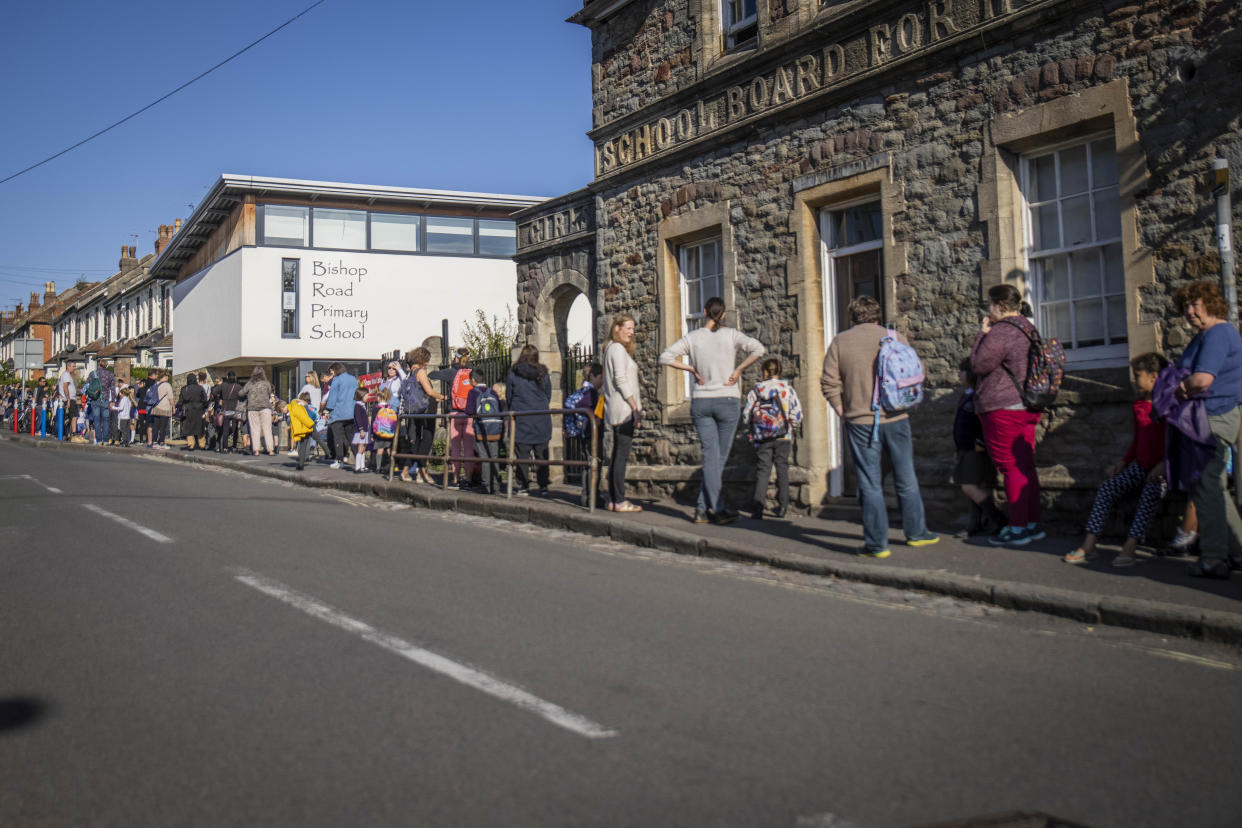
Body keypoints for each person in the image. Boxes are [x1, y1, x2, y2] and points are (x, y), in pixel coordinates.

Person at [821, 295, 939, 557]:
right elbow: (916, 372)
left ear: (853, 316)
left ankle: (877, 545)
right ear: (877, 314)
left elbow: (828, 382)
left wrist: (843, 411)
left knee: (870, 483)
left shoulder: (841, 342)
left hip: (861, 420)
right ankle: (917, 533)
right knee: (906, 477)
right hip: (896, 417)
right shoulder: (894, 338)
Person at [659, 297, 766, 524]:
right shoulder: (732, 335)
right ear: (724, 314)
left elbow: (665, 357)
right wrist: (738, 370)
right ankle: (716, 508)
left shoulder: (693, 337)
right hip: (727, 400)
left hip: (701, 401)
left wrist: (690, 368)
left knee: (711, 458)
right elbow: (759, 348)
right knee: (718, 458)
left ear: (705, 311)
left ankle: (701, 508)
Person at [1064, 352, 1169, 567]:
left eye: (1137, 375)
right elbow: (1137, 441)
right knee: (1107, 489)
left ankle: (1130, 547)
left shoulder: (1168, 407)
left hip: (1163, 469)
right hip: (1140, 466)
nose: (1134, 380)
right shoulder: (1139, 405)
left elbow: (1175, 442)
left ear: (1154, 377)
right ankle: (1089, 544)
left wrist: (1164, 464)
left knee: (1150, 493)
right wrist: (1123, 462)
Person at [1171, 281, 1242, 578]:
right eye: (1185, 306)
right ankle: (1237, 552)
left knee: (1206, 485)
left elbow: (1202, 380)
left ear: (1212, 303)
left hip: (1213, 418)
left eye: (1194, 304)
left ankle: (1214, 557)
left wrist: (1179, 387)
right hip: (1207, 418)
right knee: (1215, 488)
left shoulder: (1217, 334)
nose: (1188, 312)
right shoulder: (1208, 334)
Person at [969, 284, 1045, 547]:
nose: (988, 310)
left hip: (1003, 407)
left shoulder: (1002, 332)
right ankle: (1031, 523)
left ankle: (1017, 528)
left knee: (1011, 467)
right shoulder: (1028, 327)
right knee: (1025, 466)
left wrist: (982, 334)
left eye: (989, 304)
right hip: (1026, 406)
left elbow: (979, 364)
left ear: (1000, 305)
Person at [743, 357, 803, 519]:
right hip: (783, 436)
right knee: (782, 469)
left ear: (764, 372)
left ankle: (757, 508)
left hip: (763, 437)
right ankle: (783, 506)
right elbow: (797, 414)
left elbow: (746, 416)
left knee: (763, 470)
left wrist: (755, 429)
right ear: (779, 371)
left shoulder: (756, 391)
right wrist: (790, 428)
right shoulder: (787, 390)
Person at [953, 358, 1004, 536]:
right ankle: (975, 524)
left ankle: (997, 517)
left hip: (974, 449)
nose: (959, 375)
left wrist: (981, 443)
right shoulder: (968, 394)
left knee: (969, 487)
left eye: (962, 371)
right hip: (965, 448)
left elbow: (986, 423)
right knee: (972, 486)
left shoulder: (979, 396)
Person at [603, 315, 645, 513]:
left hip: (617, 408)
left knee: (617, 454)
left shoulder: (611, 349)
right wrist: (635, 407)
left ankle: (613, 499)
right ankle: (619, 500)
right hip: (624, 409)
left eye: (632, 328)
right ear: (617, 328)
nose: (631, 332)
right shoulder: (617, 349)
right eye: (628, 328)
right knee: (621, 455)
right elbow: (621, 380)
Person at [506, 345, 553, 496]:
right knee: (541, 454)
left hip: (521, 418)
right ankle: (543, 485)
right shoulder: (543, 373)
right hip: (541, 417)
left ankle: (523, 485)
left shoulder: (514, 373)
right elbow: (548, 394)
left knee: (522, 455)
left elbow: (509, 396)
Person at [398, 348, 446, 483]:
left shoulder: (410, 373)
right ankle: (422, 470)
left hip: (413, 411)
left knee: (415, 442)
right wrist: (443, 397)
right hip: (426, 411)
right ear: (424, 359)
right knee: (427, 439)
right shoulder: (421, 372)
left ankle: (409, 471)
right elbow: (429, 392)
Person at [565, 361, 605, 508]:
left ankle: (588, 495)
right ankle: (590, 497)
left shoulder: (582, 391)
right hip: (591, 434)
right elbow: (590, 410)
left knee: (588, 465)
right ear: (594, 377)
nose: (602, 381)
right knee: (594, 465)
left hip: (584, 434)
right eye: (601, 377)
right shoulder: (591, 393)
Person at [467, 369, 505, 494]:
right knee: (494, 457)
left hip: (481, 429)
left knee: (484, 458)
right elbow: (501, 408)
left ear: (473, 380)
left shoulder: (473, 393)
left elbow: (469, 411)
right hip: (494, 430)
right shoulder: (492, 392)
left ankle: (487, 486)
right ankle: (496, 487)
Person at [321, 361, 358, 470]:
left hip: (338, 413)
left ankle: (339, 460)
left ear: (335, 370)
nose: (331, 374)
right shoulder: (353, 379)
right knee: (351, 438)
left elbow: (332, 398)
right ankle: (359, 460)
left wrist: (327, 410)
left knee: (338, 437)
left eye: (331, 371)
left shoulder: (336, 380)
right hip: (351, 412)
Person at [241, 366, 276, 456]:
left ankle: (256, 451)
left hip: (252, 408)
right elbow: (269, 393)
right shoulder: (266, 383)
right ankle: (271, 450)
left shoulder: (250, 383)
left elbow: (241, 393)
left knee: (254, 429)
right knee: (267, 429)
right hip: (265, 407)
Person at [289, 392, 324, 471]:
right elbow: (316, 416)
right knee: (309, 441)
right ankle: (307, 455)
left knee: (302, 443)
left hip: (303, 426)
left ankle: (302, 457)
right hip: (312, 426)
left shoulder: (300, 406)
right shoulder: (311, 407)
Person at [86, 360, 115, 445]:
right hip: (105, 400)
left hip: (95, 399)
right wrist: (113, 400)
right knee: (106, 420)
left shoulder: (92, 374)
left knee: (96, 420)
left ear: (99, 364)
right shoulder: (110, 374)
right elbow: (112, 389)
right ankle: (106, 440)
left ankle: (98, 440)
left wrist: (89, 394)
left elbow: (86, 386)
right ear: (106, 365)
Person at [178, 371, 208, 451]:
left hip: (188, 410)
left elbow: (180, 401)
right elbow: (205, 400)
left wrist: (180, 408)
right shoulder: (200, 388)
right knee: (200, 428)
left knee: (189, 429)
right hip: (199, 410)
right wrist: (204, 407)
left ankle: (191, 445)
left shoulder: (184, 389)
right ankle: (202, 445)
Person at [149, 370, 175, 449]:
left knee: (156, 426)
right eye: (167, 377)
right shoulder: (167, 385)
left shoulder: (155, 384)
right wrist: (173, 407)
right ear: (165, 377)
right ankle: (162, 443)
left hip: (155, 408)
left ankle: (154, 443)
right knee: (163, 427)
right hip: (164, 408)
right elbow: (171, 398)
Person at [350, 386, 372, 473]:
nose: (368, 397)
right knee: (360, 448)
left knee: (363, 448)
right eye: (367, 395)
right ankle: (357, 467)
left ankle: (362, 466)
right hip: (361, 431)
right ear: (361, 395)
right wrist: (361, 429)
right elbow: (358, 419)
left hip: (365, 430)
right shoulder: (358, 406)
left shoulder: (362, 405)